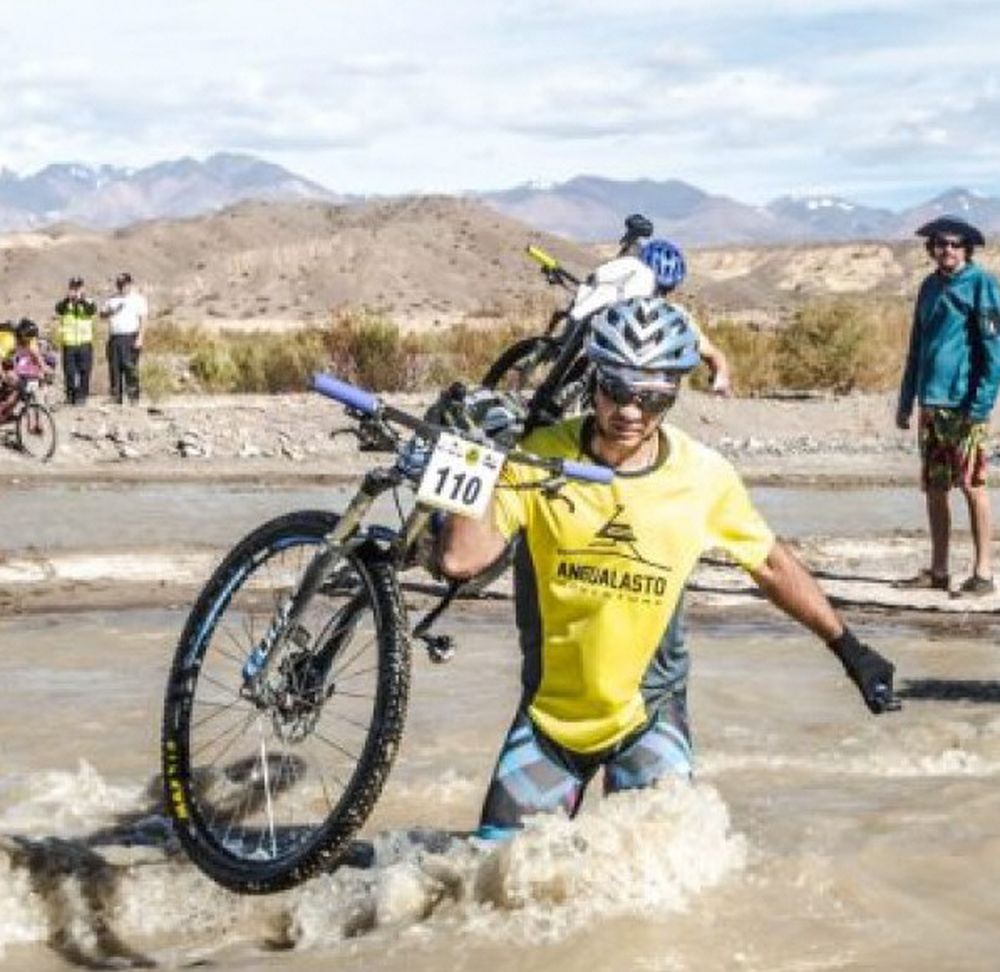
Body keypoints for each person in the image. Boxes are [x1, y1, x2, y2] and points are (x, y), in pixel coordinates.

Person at [437, 296, 899, 838]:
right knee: (494, 884)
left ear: (675, 394)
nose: (631, 411)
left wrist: (850, 650)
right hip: (548, 723)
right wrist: (470, 456)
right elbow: (459, 560)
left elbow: (772, 566)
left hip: (648, 719)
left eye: (653, 397)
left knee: (660, 890)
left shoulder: (704, 477)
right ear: (595, 379)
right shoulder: (541, 456)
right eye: (616, 389)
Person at [896, 216, 1000, 596]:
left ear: (967, 249)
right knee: (935, 488)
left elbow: (994, 350)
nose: (948, 250)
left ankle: (984, 572)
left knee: (973, 485)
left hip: (965, 405)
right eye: (941, 244)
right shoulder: (928, 287)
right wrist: (907, 400)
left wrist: (983, 402)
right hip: (931, 405)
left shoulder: (982, 284)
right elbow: (916, 348)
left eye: (956, 244)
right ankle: (939, 570)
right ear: (932, 249)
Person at [640, 238, 732, 396]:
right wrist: (721, 375)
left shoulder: (677, 316)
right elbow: (714, 355)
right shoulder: (677, 315)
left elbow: (713, 355)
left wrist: (720, 376)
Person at [101, 272, 148, 404]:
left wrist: (140, 338)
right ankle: (116, 396)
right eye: (120, 285)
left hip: (130, 336)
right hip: (115, 337)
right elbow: (102, 315)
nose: (122, 287)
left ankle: (133, 397)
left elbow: (143, 320)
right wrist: (111, 311)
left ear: (130, 284)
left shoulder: (138, 299)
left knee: (130, 367)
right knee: (114, 368)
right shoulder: (112, 299)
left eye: (124, 284)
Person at [54, 276, 97, 405]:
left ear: (83, 288)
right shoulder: (65, 303)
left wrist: (81, 300)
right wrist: (69, 299)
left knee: (85, 370)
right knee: (70, 372)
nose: (76, 290)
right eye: (73, 287)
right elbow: (58, 309)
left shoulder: (89, 301)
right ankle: (70, 395)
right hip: (69, 343)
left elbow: (91, 310)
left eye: (78, 287)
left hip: (84, 342)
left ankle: (82, 396)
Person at [0, 318, 53, 420]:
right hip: (3, 357)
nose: (29, 342)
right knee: (11, 379)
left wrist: (45, 369)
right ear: (20, 336)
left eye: (31, 339)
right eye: (26, 339)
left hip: (9, 359)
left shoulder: (30, 337)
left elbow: (36, 355)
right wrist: (3, 376)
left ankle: (7, 409)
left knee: (20, 385)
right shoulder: (8, 339)